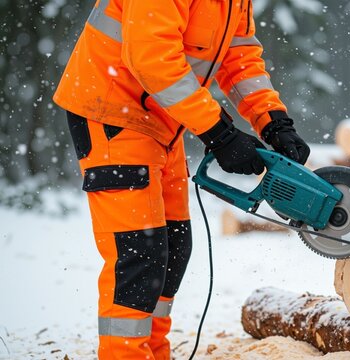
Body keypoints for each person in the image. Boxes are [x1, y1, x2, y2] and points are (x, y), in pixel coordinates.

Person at [53, 0, 309, 358]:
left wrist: (273, 121)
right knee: (139, 252)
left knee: (173, 247)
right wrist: (220, 133)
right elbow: (151, 56)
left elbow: (239, 58)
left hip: (161, 120)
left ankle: (153, 352)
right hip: (112, 112)